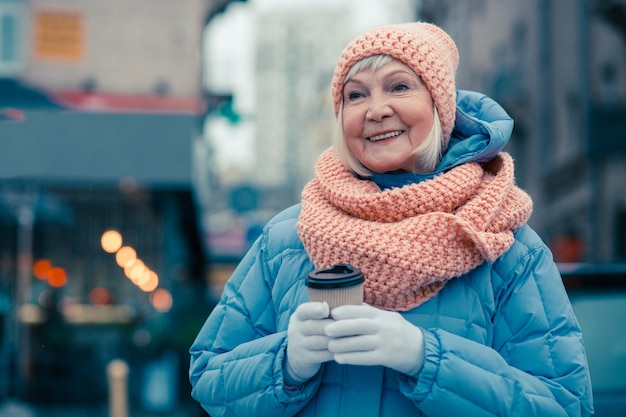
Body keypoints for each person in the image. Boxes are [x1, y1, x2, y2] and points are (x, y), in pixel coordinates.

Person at [189, 21, 594, 417]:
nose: (376, 110)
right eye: (356, 95)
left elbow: (562, 403)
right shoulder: (286, 239)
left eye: (400, 87)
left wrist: (424, 357)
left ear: (440, 107)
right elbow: (209, 375)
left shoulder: (503, 245)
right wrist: (286, 363)